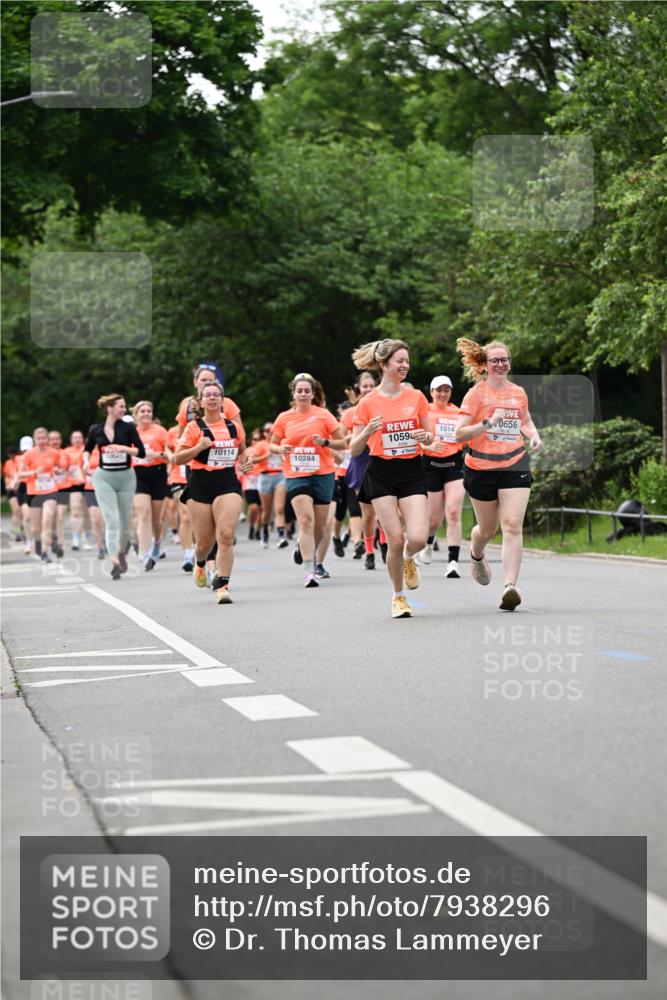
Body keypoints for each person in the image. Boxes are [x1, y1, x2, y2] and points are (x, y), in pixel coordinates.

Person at [455, 338, 542, 611]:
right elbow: (459, 433)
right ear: (485, 365)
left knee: (513, 524)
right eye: (495, 360)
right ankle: (476, 553)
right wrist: (486, 424)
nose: (501, 363)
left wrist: (534, 435)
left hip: (514, 464)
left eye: (505, 359)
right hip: (481, 468)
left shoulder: (518, 392)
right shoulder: (475, 394)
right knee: (488, 529)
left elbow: (524, 420)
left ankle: (510, 587)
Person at [350, 340, 431, 619]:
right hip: (381, 472)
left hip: (411, 470)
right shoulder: (368, 403)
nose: (405, 365)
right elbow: (354, 448)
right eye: (399, 361)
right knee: (395, 539)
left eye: (407, 361)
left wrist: (425, 437)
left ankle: (409, 559)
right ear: (384, 365)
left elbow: (430, 436)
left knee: (418, 538)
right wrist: (367, 431)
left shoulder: (417, 397)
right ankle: (398, 597)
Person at [173, 380, 254, 604]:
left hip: (227, 482)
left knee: (226, 535)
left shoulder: (232, 427)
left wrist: (246, 463)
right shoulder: (194, 428)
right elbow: (177, 458)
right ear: (200, 401)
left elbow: (242, 451)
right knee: (204, 543)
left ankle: (223, 585)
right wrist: (198, 447)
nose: (212, 398)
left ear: (222, 400)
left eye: (216, 394)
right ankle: (200, 564)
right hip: (200, 483)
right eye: (207, 395)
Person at [269, 373, 346, 587]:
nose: (303, 394)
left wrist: (325, 442)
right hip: (296, 473)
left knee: (320, 528)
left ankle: (302, 547)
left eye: (306, 390)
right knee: (305, 521)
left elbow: (342, 443)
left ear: (313, 393)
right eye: (299, 390)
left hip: (323, 473)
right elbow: (272, 445)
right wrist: (281, 448)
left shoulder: (323, 415)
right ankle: (309, 571)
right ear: (293, 393)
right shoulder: (284, 417)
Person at [83, 394, 145, 580]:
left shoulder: (128, 428)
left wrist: (123, 448)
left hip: (126, 477)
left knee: (125, 521)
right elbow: (87, 449)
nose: (124, 410)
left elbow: (140, 452)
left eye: (124, 407)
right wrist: (86, 462)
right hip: (103, 477)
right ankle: (113, 560)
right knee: (111, 519)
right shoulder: (96, 429)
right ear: (110, 408)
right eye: (121, 406)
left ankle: (121, 553)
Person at [420, 375, 465, 578]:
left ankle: (453, 562)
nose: (442, 393)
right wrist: (427, 445)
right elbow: (416, 439)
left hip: (454, 464)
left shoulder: (458, 413)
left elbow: (467, 437)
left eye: (446, 390)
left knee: (454, 512)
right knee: (434, 520)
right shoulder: (425, 412)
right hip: (431, 466)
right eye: (439, 390)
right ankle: (428, 543)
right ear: (431, 392)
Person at [341, 372, 380, 568]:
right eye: (364, 386)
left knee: (386, 507)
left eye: (371, 385)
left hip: (380, 457)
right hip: (360, 459)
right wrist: (353, 437)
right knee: (368, 513)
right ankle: (370, 552)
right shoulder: (351, 413)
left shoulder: (383, 406)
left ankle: (385, 543)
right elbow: (339, 439)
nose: (368, 389)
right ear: (359, 388)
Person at [17, 427, 66, 563]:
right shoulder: (29, 455)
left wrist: (58, 471)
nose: (42, 441)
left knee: (47, 520)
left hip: (50, 491)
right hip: (34, 492)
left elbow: (60, 468)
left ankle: (44, 551)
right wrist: (34, 473)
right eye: (39, 439)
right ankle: (38, 542)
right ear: (35, 440)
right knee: (36, 527)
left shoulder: (54, 453)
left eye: (44, 438)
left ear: (47, 439)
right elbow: (20, 474)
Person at [131, 401, 169, 571]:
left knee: (156, 519)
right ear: (136, 414)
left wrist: (158, 454)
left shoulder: (160, 432)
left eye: (148, 411)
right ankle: (144, 552)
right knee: (143, 513)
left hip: (158, 473)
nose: (146, 413)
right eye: (142, 411)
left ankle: (158, 541)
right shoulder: (130, 432)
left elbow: (170, 455)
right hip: (138, 474)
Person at [253, 422, 289, 549]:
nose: (271, 433)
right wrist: (266, 455)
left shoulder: (282, 443)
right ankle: (264, 531)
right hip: (265, 476)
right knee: (266, 511)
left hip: (280, 476)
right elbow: (252, 459)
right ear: (264, 433)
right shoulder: (261, 445)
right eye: (268, 431)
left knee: (279, 508)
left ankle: (281, 536)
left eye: (273, 431)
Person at [165, 422, 194, 571]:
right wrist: (171, 456)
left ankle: (200, 549)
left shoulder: (201, 427)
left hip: (198, 476)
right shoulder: (173, 431)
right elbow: (167, 447)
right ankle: (188, 553)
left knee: (199, 517)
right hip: (179, 478)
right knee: (185, 517)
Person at [62, 430, 88, 551]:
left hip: (88, 483)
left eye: (79, 437)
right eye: (75, 438)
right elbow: (62, 466)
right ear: (71, 440)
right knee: (76, 510)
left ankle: (86, 536)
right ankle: (76, 538)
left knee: (87, 512)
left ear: (82, 439)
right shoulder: (66, 452)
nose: (77, 440)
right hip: (74, 484)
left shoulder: (88, 449)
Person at [243, 429, 263, 540]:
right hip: (250, 481)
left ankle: (258, 530)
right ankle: (251, 526)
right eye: (255, 439)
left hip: (261, 480)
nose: (257, 442)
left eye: (259, 439)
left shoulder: (264, 449)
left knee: (262, 509)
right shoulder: (249, 450)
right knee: (254, 508)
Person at [2, 446, 23, 542]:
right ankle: (17, 532)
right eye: (11, 455)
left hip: (21, 489)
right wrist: (8, 485)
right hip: (11, 490)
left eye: (14, 455)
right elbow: (6, 476)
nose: (12, 457)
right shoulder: (7, 463)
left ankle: (22, 527)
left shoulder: (21, 461)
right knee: (16, 510)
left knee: (23, 512)